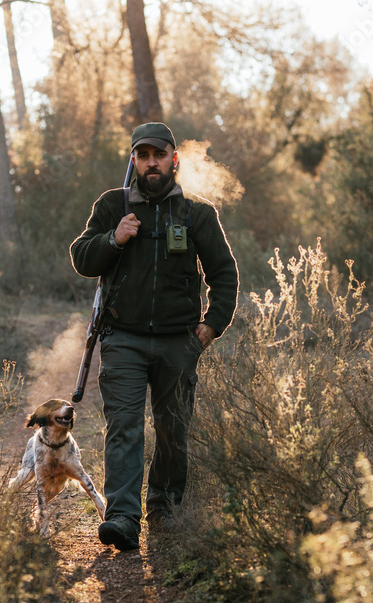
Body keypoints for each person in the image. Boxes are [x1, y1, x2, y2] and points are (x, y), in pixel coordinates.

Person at [69, 122, 239, 551]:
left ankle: (163, 510)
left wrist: (211, 325)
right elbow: (82, 258)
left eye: (158, 155)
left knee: (172, 430)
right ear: (134, 161)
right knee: (124, 428)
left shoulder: (197, 213)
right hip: (122, 339)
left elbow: (224, 274)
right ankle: (123, 517)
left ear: (173, 160)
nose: (151, 163)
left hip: (178, 342)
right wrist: (114, 237)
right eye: (142, 156)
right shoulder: (113, 206)